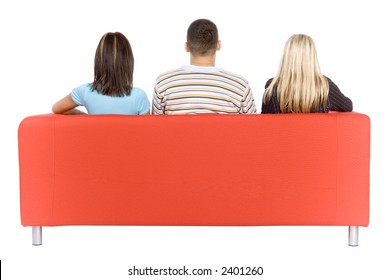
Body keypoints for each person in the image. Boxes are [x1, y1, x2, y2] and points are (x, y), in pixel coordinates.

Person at [152, 18, 257, 115]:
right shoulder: (240, 86)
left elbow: (156, 129)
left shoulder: (164, 84)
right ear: (218, 45)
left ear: (186, 47)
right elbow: (253, 128)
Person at [52, 32, 150, 115]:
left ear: (99, 60)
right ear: (128, 61)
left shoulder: (85, 91)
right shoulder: (139, 96)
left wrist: (89, 119)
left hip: (94, 138)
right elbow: (146, 131)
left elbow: (56, 108)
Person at [261, 34, 353, 114]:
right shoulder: (324, 86)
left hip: (283, 134)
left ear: (286, 57)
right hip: (317, 134)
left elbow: (265, 122)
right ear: (312, 58)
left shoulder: (272, 87)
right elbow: (348, 106)